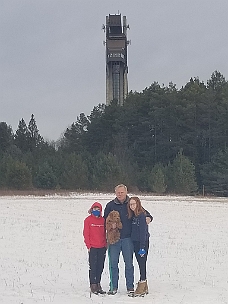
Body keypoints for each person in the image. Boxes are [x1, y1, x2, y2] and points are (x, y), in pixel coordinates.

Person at [104, 184, 153, 295]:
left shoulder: (131, 203)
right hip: (114, 240)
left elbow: (144, 213)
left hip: (128, 239)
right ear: (115, 193)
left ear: (126, 192)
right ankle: (113, 287)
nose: (120, 194)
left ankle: (130, 287)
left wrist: (149, 218)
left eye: (122, 192)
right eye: (118, 192)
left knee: (129, 264)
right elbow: (104, 220)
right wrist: (110, 226)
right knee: (113, 264)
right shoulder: (110, 205)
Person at [128, 196, 150, 297]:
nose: (132, 206)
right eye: (130, 204)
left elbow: (143, 232)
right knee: (140, 262)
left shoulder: (141, 215)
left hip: (142, 243)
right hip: (135, 242)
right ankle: (144, 285)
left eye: (133, 204)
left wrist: (142, 247)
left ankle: (142, 284)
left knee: (142, 263)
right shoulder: (133, 214)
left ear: (138, 204)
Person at [83, 202, 107, 295]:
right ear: (92, 210)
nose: (96, 211)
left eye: (98, 209)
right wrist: (88, 246)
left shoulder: (103, 220)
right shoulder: (88, 220)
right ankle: (93, 284)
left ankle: (98, 283)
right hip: (93, 247)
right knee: (93, 266)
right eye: (94, 209)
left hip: (102, 246)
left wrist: (105, 244)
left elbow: (105, 233)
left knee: (100, 266)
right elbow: (86, 233)